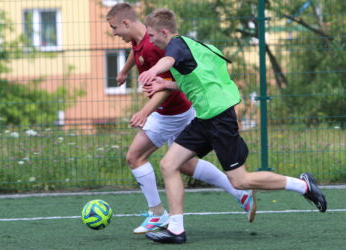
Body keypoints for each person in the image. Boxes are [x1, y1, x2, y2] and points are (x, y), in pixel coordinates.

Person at [138, 8, 327, 244]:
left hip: (219, 120)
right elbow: (200, 79)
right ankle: (176, 229)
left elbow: (169, 59)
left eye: (152, 35)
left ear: (164, 32)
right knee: (169, 164)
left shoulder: (175, 45)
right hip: (206, 118)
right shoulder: (194, 46)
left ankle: (303, 186)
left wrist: (154, 70)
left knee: (240, 180)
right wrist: (165, 85)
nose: (151, 40)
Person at [106, 3, 257, 235]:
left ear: (126, 23)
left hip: (171, 112)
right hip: (181, 111)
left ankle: (157, 214)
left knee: (135, 157)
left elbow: (171, 86)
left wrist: (145, 111)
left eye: (115, 28)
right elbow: (136, 52)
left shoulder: (156, 45)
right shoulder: (140, 40)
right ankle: (240, 192)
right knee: (184, 164)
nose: (114, 33)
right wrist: (125, 70)